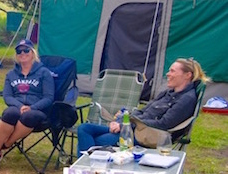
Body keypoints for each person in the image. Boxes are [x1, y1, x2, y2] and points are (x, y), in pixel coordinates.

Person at [76, 58, 208, 154]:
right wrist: (122, 122)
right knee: (84, 129)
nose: (168, 74)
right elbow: (143, 111)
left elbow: (164, 124)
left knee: (94, 141)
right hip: (132, 130)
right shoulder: (167, 93)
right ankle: (89, 170)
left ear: (187, 75)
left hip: (147, 136)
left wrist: (128, 125)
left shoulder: (186, 99)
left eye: (172, 71)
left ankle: (88, 172)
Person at [0, 40, 55, 165]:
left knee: (29, 115)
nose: (23, 53)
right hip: (17, 107)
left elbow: (48, 97)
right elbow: (7, 96)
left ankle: (6, 144)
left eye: (26, 50)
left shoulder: (44, 73)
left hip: (38, 111)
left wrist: (32, 107)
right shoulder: (11, 74)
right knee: (9, 113)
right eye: (19, 51)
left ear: (33, 53)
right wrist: (20, 106)